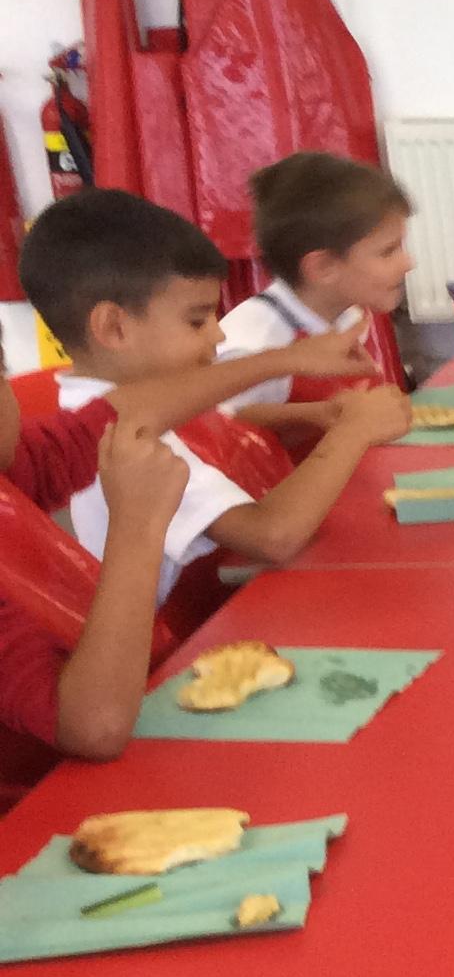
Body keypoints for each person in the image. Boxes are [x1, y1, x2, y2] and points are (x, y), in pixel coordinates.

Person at [16, 189, 409, 623]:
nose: (218, 334)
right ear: (114, 328)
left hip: (238, 606)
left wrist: (314, 415)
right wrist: (353, 431)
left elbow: (228, 423)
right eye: (197, 319)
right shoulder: (125, 441)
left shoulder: (152, 396)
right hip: (192, 642)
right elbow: (272, 536)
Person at [0, 420, 187, 760]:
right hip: (59, 786)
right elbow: (96, 727)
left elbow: (114, 413)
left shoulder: (13, 465)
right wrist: (137, 524)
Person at [218, 150, 415, 430]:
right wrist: (319, 415)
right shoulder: (251, 345)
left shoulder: (348, 315)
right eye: (388, 251)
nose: (408, 263)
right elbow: (219, 424)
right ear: (323, 267)